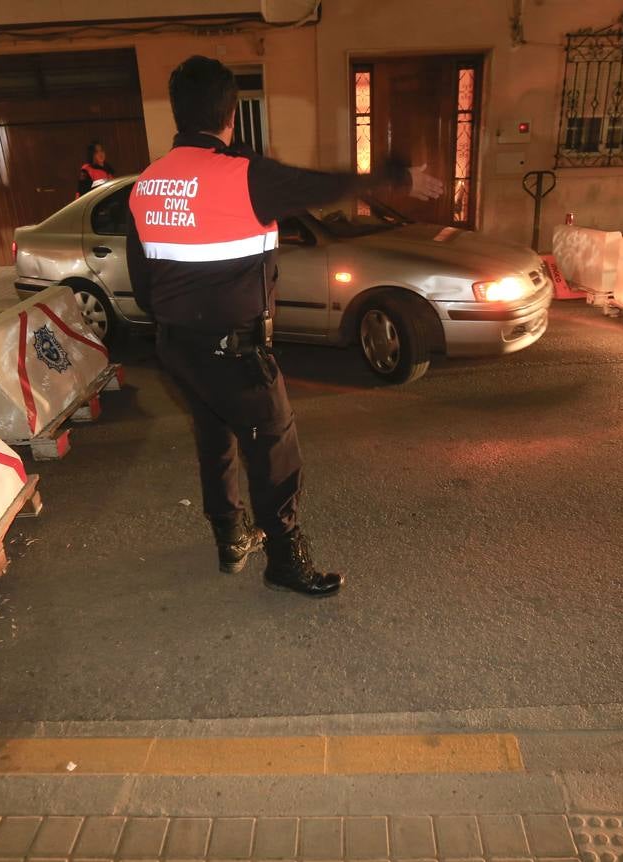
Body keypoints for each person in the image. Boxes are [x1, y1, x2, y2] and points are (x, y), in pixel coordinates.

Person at [126, 56, 439, 598]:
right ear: (231, 115)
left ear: (178, 113)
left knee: (214, 439)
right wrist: (397, 174)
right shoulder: (246, 176)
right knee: (274, 449)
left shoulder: (146, 184)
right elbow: (323, 186)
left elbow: (142, 278)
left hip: (178, 347)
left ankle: (230, 538)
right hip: (234, 351)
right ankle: (284, 558)